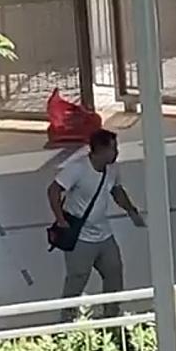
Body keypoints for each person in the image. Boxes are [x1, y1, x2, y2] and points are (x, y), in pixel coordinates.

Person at [50, 129, 144, 320]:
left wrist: (131, 210)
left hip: (104, 235)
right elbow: (53, 190)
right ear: (100, 149)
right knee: (77, 279)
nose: (117, 153)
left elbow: (116, 190)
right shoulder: (77, 169)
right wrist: (61, 220)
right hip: (80, 238)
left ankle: (112, 316)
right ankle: (65, 321)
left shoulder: (112, 169)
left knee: (114, 273)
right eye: (113, 148)